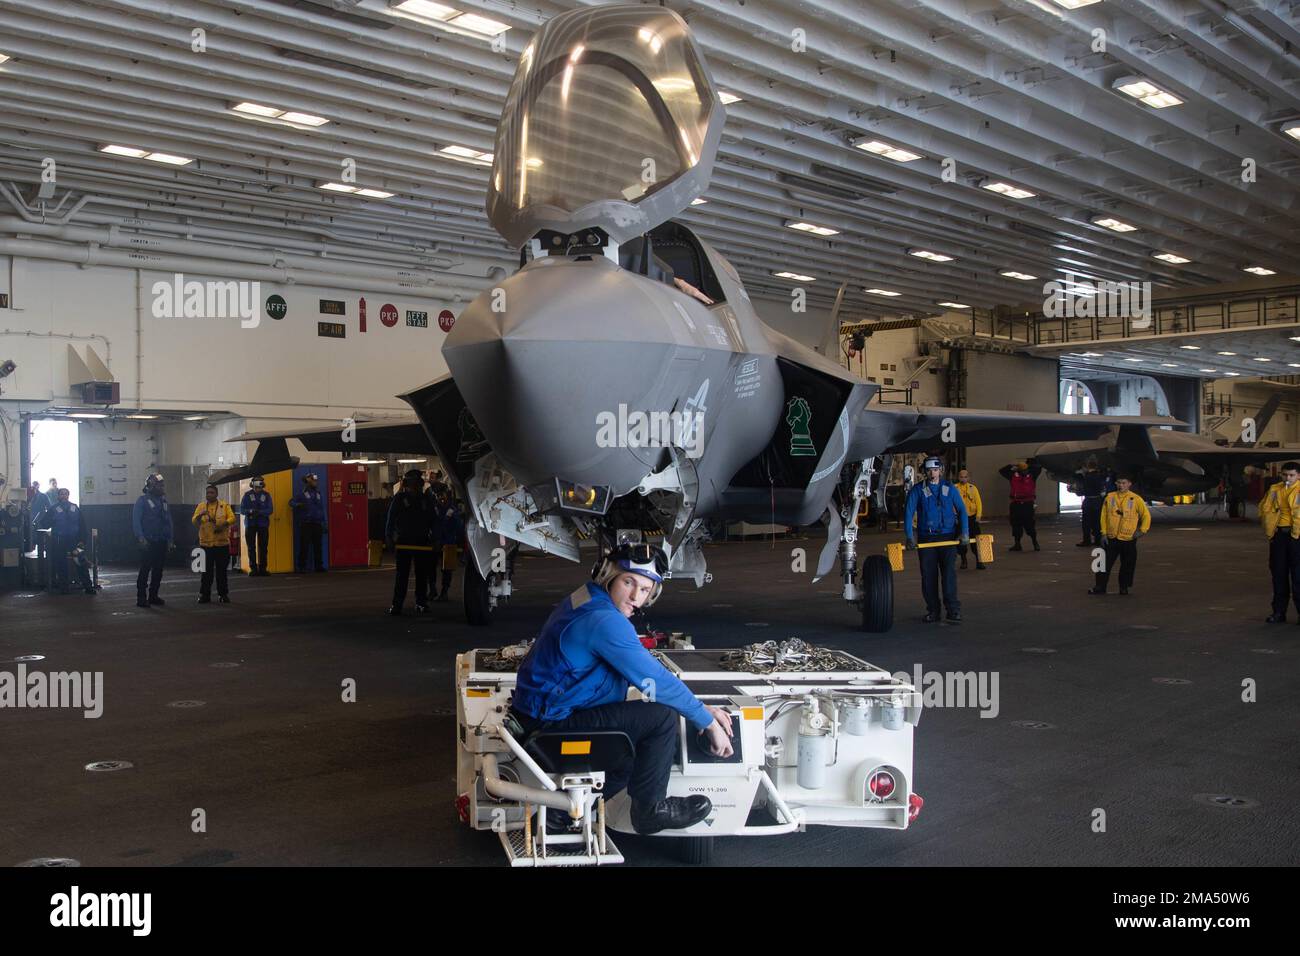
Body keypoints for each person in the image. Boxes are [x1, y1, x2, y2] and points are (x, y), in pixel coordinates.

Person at [510, 542, 733, 834]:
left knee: (631, 742)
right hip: (550, 728)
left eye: (645, 589)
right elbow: (656, 682)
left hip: (538, 716)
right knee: (660, 718)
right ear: (609, 575)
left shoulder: (586, 596)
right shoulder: (605, 620)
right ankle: (650, 811)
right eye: (629, 582)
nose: (635, 597)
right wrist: (705, 719)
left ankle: (560, 816)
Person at [904, 456, 969, 623]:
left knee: (949, 575)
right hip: (927, 539)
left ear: (941, 470)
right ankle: (933, 610)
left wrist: (964, 533)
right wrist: (910, 537)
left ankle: (953, 610)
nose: (932, 473)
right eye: (929, 470)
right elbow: (909, 513)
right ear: (924, 472)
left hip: (948, 538)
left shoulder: (950, 488)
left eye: (935, 469)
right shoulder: (917, 490)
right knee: (929, 576)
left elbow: (962, 510)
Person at [1088, 475, 1151, 596]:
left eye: (1124, 483)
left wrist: (1142, 531)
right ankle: (1100, 587)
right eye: (1119, 483)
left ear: (1129, 484)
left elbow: (1146, 515)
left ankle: (1124, 587)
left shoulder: (1136, 499)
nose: (1121, 485)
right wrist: (1103, 533)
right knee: (1102, 565)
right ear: (1116, 483)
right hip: (1111, 538)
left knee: (1127, 565)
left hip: (1128, 538)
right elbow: (1103, 516)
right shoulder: (1110, 498)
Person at [385, 469, 436, 615]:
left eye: (416, 483)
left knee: (422, 574)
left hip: (422, 541)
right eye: (411, 483)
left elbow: (434, 520)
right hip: (404, 541)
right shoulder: (399, 499)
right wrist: (388, 536)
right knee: (402, 574)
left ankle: (421, 602)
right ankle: (397, 604)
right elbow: (391, 518)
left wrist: (436, 538)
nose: (414, 486)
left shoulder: (426, 499)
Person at [1259, 461, 1300, 623]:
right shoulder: (1275, 489)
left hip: (1297, 537)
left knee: (1298, 577)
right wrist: (1270, 530)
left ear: (1298, 475)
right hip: (1279, 537)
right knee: (1278, 574)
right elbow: (1264, 508)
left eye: (1291, 475)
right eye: (1285, 475)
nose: (1287, 478)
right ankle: (1278, 612)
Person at [32, 487, 93, 594]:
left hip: (75, 541)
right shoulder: (53, 509)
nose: (63, 496)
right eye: (61, 494)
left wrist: (83, 540)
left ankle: (88, 586)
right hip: (59, 541)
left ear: (68, 495)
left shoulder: (75, 508)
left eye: (65, 494)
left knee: (81, 561)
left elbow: (82, 525)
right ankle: (64, 588)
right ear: (58, 496)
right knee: (61, 564)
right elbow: (45, 523)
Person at [132, 473, 174, 608]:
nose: (161, 487)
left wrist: (170, 539)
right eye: (158, 485)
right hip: (148, 541)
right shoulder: (142, 501)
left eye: (162, 485)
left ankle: (153, 595)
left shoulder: (163, 501)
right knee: (145, 569)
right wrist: (140, 537)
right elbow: (136, 521)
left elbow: (169, 521)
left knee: (158, 570)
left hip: (161, 540)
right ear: (150, 486)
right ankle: (141, 597)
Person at [192, 484, 235, 604]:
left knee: (221, 572)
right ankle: (204, 595)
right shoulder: (201, 506)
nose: (209, 495)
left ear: (216, 494)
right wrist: (201, 514)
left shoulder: (224, 505)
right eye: (207, 493)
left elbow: (232, 518)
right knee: (206, 572)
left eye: (211, 493)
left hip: (222, 544)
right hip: (206, 545)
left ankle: (223, 595)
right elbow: (194, 521)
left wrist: (223, 524)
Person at [998, 459, 1042, 551]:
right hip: (1016, 504)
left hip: (1028, 504)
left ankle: (1035, 542)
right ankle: (1017, 544)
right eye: (1022, 470)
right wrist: (1013, 465)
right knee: (1015, 524)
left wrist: (1027, 465)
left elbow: (1038, 468)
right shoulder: (1013, 476)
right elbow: (1002, 470)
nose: (1024, 472)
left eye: (1025, 470)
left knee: (1030, 524)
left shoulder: (1032, 476)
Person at [289, 472, 326, 572]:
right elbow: (291, 502)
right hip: (306, 524)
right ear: (308, 481)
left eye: (316, 481)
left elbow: (321, 508)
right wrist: (298, 505)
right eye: (313, 481)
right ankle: (302, 567)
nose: (316, 482)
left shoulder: (318, 494)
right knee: (304, 546)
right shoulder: (302, 494)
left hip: (317, 523)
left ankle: (319, 566)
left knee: (318, 546)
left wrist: (324, 523)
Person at [432, 492, 464, 602]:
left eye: (443, 496)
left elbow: (458, 526)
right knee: (431, 568)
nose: (441, 498)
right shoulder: (435, 508)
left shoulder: (452, 510)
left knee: (447, 570)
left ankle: (444, 591)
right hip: (436, 542)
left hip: (448, 542)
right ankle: (432, 590)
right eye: (439, 496)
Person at [240, 475, 274, 576]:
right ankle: (253, 569)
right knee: (251, 547)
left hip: (263, 524)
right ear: (252, 484)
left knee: (263, 547)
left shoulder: (267, 495)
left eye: (260, 483)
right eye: (256, 483)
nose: (258, 486)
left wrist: (260, 512)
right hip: (250, 524)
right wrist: (250, 511)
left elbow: (270, 509)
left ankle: (263, 569)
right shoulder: (247, 495)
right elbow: (242, 509)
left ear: (262, 484)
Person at [953, 468, 986, 570]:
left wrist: (978, 516)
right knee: (961, 541)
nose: (963, 479)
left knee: (976, 540)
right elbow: (951, 503)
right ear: (958, 477)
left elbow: (978, 502)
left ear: (968, 478)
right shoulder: (954, 488)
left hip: (972, 518)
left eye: (965, 477)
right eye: (961, 477)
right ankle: (964, 560)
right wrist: (954, 517)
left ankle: (979, 561)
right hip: (960, 518)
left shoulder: (973, 488)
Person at [1072, 459, 1108, 548]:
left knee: (1086, 522)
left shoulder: (1085, 477)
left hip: (1088, 501)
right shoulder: (1100, 476)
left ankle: (1086, 540)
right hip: (1098, 501)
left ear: (1087, 467)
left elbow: (1080, 486)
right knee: (1097, 521)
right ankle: (1098, 540)